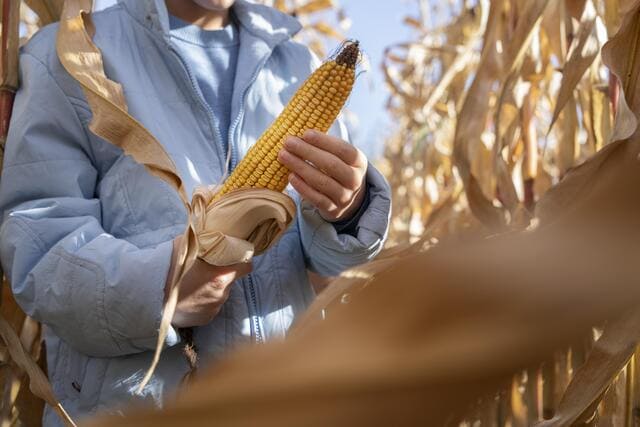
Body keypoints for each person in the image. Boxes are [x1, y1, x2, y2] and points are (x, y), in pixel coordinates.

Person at [0, 0, 391, 425]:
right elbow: (36, 242)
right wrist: (161, 287)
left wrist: (347, 210)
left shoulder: (297, 63)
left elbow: (324, 259)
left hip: (281, 400)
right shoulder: (70, 55)